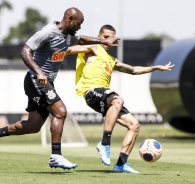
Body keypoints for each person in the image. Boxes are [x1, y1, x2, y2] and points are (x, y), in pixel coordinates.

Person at [0, 8, 119, 170]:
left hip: (45, 83)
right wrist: (39, 71)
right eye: (78, 23)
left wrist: (102, 42)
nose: (80, 27)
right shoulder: (48, 32)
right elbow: (25, 51)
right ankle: (56, 156)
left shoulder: (68, 34)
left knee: (33, 126)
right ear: (69, 19)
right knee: (60, 112)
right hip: (35, 80)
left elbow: (80, 39)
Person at [65, 24, 174, 173]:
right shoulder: (93, 48)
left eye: (111, 38)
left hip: (105, 95)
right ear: (99, 37)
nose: (109, 40)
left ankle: (121, 164)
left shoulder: (111, 60)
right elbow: (69, 49)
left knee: (134, 126)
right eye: (105, 37)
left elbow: (134, 70)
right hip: (91, 91)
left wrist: (155, 68)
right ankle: (105, 143)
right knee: (118, 100)